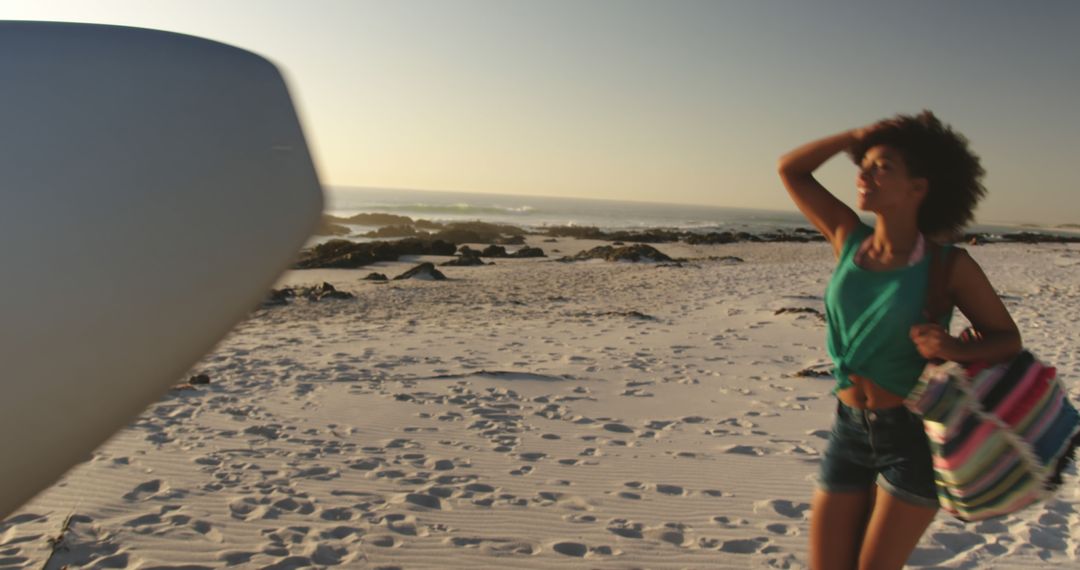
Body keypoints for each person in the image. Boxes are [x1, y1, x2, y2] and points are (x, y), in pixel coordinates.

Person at [777, 111, 1022, 570]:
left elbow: (1008, 339)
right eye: (862, 164)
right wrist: (853, 137)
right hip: (848, 427)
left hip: (913, 436)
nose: (864, 173)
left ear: (918, 188)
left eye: (882, 166)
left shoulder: (950, 266)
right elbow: (791, 169)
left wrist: (955, 349)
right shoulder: (848, 237)